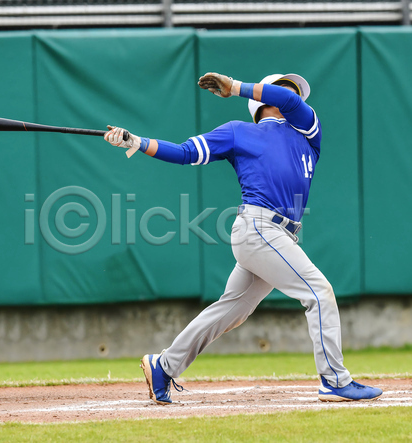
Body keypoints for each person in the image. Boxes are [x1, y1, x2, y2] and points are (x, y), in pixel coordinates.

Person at [104, 72, 383, 403]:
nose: (294, 96)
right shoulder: (239, 132)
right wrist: (136, 141)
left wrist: (234, 87)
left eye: (294, 93)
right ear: (262, 101)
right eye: (284, 89)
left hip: (280, 235)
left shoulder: (308, 132)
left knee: (232, 309)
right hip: (258, 229)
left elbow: (291, 103)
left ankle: (164, 366)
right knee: (319, 293)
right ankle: (335, 380)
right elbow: (184, 152)